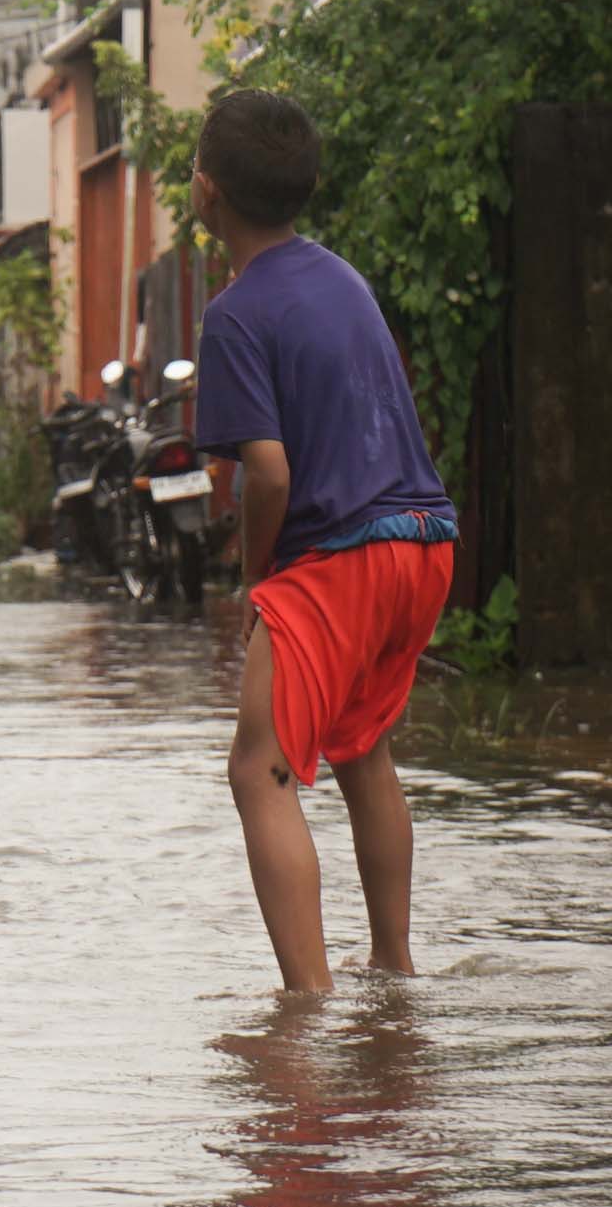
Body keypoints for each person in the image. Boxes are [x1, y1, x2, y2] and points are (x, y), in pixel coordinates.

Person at [191, 90, 457, 992]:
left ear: (203, 193)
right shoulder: (343, 276)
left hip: (338, 555)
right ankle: (392, 969)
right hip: (423, 540)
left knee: (258, 771)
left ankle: (304, 1005)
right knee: (359, 747)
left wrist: (257, 575)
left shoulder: (233, 313)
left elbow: (267, 475)